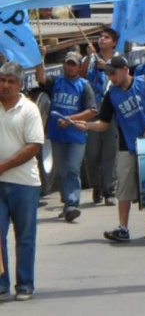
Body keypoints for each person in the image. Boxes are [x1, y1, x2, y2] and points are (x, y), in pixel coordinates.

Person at [75, 56, 145, 242]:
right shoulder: (111, 95)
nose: (111, 77)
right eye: (108, 74)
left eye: (114, 72)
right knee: (124, 187)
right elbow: (104, 123)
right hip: (127, 145)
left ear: (125, 69)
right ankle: (123, 227)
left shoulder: (144, 84)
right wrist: (87, 126)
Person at [36, 50, 97, 222]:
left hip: (76, 136)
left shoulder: (84, 86)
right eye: (67, 63)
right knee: (62, 172)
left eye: (73, 64)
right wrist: (41, 58)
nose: (69, 67)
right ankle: (67, 204)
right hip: (57, 136)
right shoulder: (56, 82)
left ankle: (72, 204)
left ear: (79, 67)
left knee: (72, 168)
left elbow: (92, 110)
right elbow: (40, 77)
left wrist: (70, 119)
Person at [0, 62, 44, 301]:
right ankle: (1, 283)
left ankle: (25, 284)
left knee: (25, 236)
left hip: (24, 184)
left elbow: (34, 146)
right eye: (2, 80)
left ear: (19, 85)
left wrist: (3, 167)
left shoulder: (29, 110)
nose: (5, 85)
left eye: (10, 81)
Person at [81, 28, 120, 205]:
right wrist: (89, 57)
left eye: (107, 37)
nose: (102, 39)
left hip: (111, 106)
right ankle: (96, 184)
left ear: (114, 43)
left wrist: (108, 68)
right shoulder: (90, 58)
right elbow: (80, 76)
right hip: (92, 107)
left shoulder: (118, 60)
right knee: (91, 151)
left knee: (110, 150)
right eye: (101, 37)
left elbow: (125, 79)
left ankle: (109, 189)